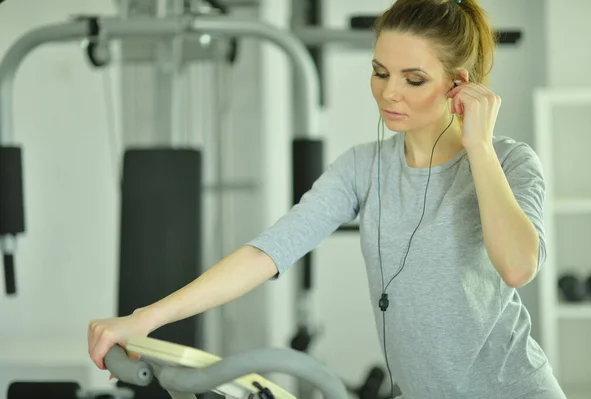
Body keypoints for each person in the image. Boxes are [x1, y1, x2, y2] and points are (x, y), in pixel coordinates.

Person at [88, 0, 566, 397]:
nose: (388, 93)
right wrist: (145, 319)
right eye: (380, 72)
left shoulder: (509, 162)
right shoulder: (362, 167)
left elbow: (518, 267)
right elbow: (268, 251)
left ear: (459, 84)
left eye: (413, 79)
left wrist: (478, 148)